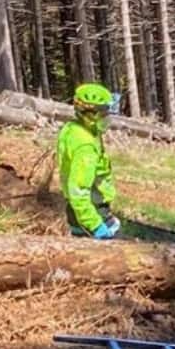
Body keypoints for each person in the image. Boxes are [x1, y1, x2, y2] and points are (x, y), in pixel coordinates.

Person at [59, 82, 121, 239]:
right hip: (90, 212)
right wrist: (95, 225)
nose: (108, 118)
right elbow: (78, 190)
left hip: (87, 210)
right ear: (90, 115)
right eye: (104, 114)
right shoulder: (85, 147)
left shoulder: (75, 129)